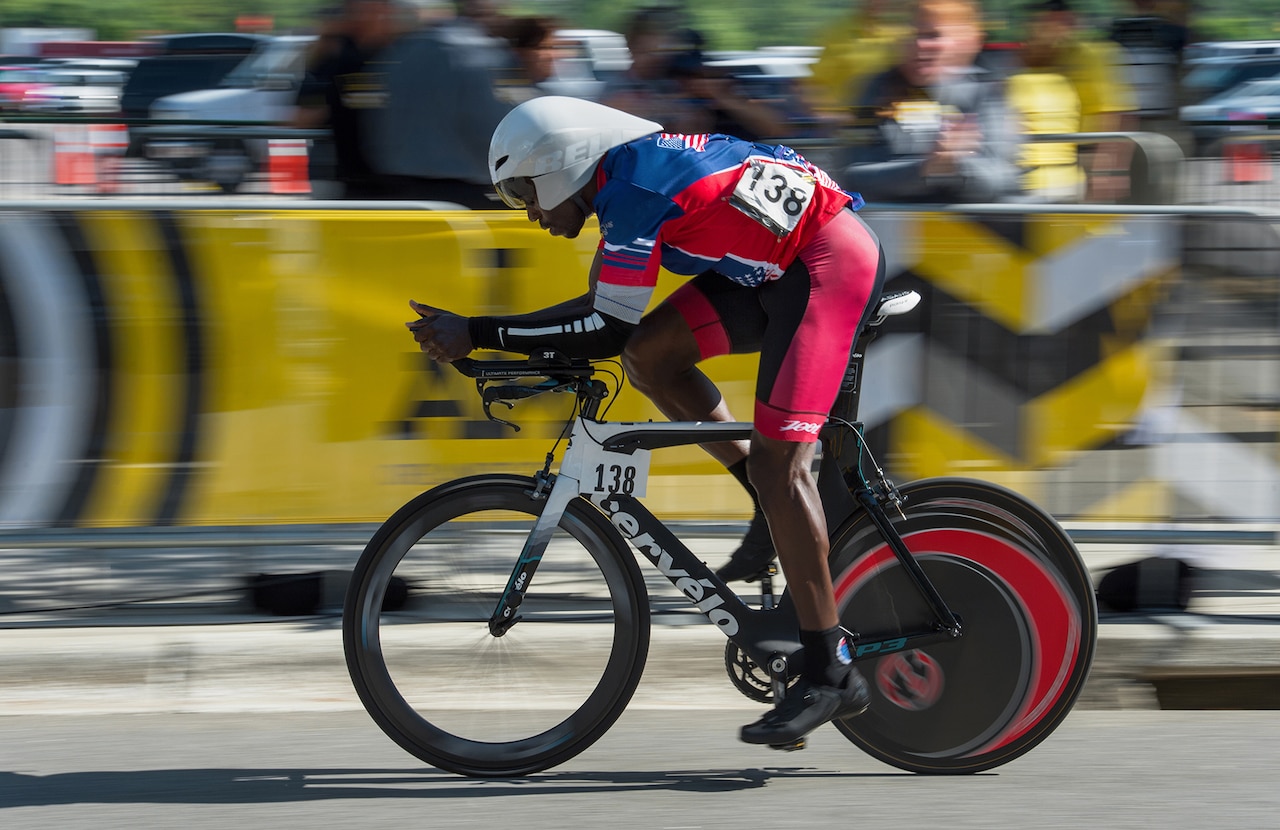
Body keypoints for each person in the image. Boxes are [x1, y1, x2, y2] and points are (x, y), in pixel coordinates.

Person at [406, 96, 885, 746]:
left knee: (784, 468)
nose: (531, 211)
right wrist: (491, 336)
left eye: (528, 191)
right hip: (767, 267)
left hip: (824, 265)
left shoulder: (634, 186)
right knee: (650, 357)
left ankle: (833, 673)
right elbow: (611, 319)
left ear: (562, 165)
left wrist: (479, 332)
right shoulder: (625, 181)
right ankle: (766, 503)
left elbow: (600, 327)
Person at [833, 0, 1022, 204]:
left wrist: (957, 167)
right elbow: (851, 175)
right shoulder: (874, 90)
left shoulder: (985, 92)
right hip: (888, 229)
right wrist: (925, 169)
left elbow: (1002, 176)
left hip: (977, 231)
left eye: (933, 36)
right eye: (912, 34)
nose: (920, 45)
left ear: (963, 42)